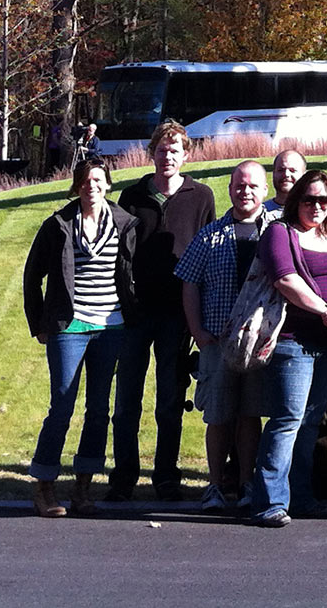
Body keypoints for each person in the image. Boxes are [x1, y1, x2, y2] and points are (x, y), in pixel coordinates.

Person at [22, 156, 135, 518]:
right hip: (69, 327)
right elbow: (32, 275)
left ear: (108, 184)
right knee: (62, 405)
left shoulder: (123, 223)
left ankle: (83, 487)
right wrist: (39, 322)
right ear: (77, 185)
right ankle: (44, 485)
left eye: (99, 180)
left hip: (110, 327)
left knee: (99, 409)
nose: (93, 187)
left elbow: (131, 274)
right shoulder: (58, 225)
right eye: (86, 181)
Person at [111, 120, 215, 502]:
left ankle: (166, 477)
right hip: (135, 314)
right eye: (161, 149)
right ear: (151, 152)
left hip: (178, 314)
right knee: (126, 402)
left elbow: (206, 256)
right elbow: (119, 257)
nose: (167, 156)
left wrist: (199, 317)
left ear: (185, 155)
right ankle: (123, 476)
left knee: (170, 401)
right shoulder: (132, 196)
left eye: (175, 150)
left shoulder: (201, 197)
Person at [245, 170, 327, 525]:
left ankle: (300, 496)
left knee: (310, 422)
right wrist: (325, 310)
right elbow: (285, 279)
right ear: (296, 202)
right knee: (287, 419)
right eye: (309, 200)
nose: (317, 206)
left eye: (324, 200)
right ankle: (269, 501)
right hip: (292, 342)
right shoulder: (279, 232)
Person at [175, 159, 276, 511]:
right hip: (217, 342)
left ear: (265, 190)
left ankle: (247, 484)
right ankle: (215, 486)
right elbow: (189, 282)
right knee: (218, 416)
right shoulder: (210, 235)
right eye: (239, 185)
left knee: (250, 416)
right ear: (230, 189)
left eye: (252, 186)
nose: (245, 191)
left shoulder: (278, 232)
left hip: (259, 345)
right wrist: (198, 331)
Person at [268, 147, 306, 212]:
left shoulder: (313, 213)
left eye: (292, 170)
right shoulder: (258, 214)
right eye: (281, 170)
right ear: (274, 173)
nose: (286, 174)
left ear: (304, 175)